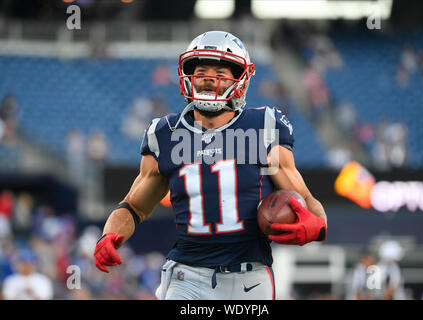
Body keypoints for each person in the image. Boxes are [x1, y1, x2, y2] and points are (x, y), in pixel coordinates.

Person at [94, 31, 328, 300]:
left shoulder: (263, 127)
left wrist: (316, 225)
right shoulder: (165, 133)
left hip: (250, 278)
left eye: (220, 71)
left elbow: (309, 202)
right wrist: (108, 235)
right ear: (186, 75)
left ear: (240, 79)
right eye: (201, 68)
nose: (208, 76)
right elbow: (133, 207)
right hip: (187, 276)